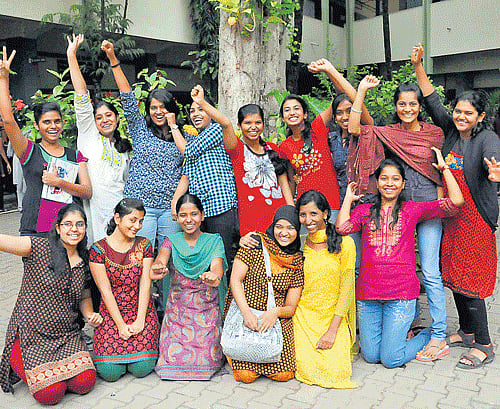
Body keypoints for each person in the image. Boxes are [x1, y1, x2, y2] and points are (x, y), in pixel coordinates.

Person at [348, 74, 448, 361]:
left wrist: (441, 199)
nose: (407, 109)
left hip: (427, 204)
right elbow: (356, 128)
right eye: (402, 104)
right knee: (405, 265)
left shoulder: (434, 133)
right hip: (399, 207)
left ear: (420, 107)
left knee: (429, 270)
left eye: (413, 104)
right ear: (396, 106)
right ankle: (408, 326)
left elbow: (437, 170)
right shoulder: (388, 131)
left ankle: (438, 333)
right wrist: (362, 91)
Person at [412, 43, 500, 368]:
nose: (461, 117)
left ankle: (486, 344)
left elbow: (496, 162)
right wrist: (419, 67)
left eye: (468, 113)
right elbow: (432, 99)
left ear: (480, 117)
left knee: (472, 279)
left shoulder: (487, 139)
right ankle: (466, 332)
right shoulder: (451, 131)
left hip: (476, 220)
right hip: (452, 217)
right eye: (458, 111)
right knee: (453, 275)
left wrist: (496, 173)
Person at [336, 155, 464, 368]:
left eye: (395, 179)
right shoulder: (363, 211)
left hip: (401, 295)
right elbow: (342, 228)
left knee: (391, 359)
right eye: (384, 178)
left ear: (403, 184)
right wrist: (348, 200)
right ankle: (401, 336)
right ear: (377, 183)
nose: (389, 184)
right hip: (368, 295)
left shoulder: (412, 209)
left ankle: (431, 335)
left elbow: (456, 202)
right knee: (370, 355)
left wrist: (444, 169)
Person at [0, 203, 102, 405]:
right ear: (57, 228)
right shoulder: (37, 247)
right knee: (50, 394)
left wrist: (90, 314)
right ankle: (14, 355)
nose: (74, 229)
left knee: (85, 383)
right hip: (32, 335)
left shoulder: (84, 258)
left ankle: (51, 371)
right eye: (68, 224)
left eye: (80, 224)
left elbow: (84, 296)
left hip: (66, 334)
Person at [101, 40, 191, 248]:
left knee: (169, 256)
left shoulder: (185, 134)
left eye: (163, 107)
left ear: (172, 109)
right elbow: (127, 97)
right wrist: (114, 59)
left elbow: (191, 158)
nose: (158, 112)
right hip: (141, 208)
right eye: (153, 107)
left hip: (170, 208)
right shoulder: (140, 129)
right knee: (139, 256)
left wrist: (174, 126)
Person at [0, 47, 92, 236]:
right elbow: (8, 120)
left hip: (70, 231)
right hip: (36, 229)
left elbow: (86, 191)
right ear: (37, 125)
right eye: (46, 122)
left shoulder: (75, 154)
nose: (53, 126)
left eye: (57, 121)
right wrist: (3, 79)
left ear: (63, 123)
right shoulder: (28, 151)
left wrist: (60, 182)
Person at [187, 85, 293, 236]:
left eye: (257, 122)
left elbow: (284, 185)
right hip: (252, 222)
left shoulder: (273, 148)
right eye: (247, 123)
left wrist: (291, 212)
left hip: (279, 220)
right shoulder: (237, 148)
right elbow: (225, 123)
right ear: (239, 125)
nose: (253, 127)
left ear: (263, 124)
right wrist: (202, 102)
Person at [150, 193, 227, 380]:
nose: (189, 220)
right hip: (178, 311)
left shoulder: (214, 240)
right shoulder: (171, 241)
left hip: (206, 309)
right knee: (170, 358)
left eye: (194, 214)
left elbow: (217, 270)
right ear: (176, 217)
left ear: (202, 215)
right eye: (183, 215)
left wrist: (213, 276)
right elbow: (159, 262)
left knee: (207, 361)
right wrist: (157, 268)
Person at [225, 205, 304, 383]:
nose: (284, 233)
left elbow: (291, 306)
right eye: (279, 227)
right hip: (247, 315)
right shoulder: (255, 243)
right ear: (273, 226)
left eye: (291, 228)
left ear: (297, 231)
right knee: (245, 376)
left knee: (283, 375)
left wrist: (275, 313)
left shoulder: (297, 261)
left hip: (275, 321)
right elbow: (235, 280)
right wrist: (247, 313)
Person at [67, 34, 132, 245]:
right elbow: (82, 95)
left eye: (109, 115)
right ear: (93, 122)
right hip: (95, 218)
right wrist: (71, 56)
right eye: (99, 117)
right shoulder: (88, 136)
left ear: (117, 118)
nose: (104, 120)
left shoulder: (123, 148)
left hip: (121, 215)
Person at [89, 198, 159, 381]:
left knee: (142, 368)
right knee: (109, 373)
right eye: (133, 220)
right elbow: (105, 291)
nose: (137, 226)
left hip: (141, 310)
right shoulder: (98, 249)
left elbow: (145, 284)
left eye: (141, 221)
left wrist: (140, 320)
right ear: (118, 219)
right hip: (112, 314)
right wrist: (120, 325)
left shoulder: (144, 245)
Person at [293, 190, 357, 388]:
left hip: (333, 317)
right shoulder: (302, 244)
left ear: (326, 214)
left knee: (336, 371)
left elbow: (346, 290)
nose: (308, 220)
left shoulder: (345, 243)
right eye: (303, 214)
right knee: (304, 367)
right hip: (304, 316)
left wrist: (332, 331)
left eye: (313, 214)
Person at [171, 85, 239, 270]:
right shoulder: (194, 139)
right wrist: (175, 201)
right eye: (192, 110)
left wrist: (172, 126)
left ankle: (223, 298)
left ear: (211, 111)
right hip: (201, 212)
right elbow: (187, 175)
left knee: (220, 260)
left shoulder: (217, 130)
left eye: (201, 109)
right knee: (204, 261)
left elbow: (187, 151)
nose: (195, 114)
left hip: (220, 207)